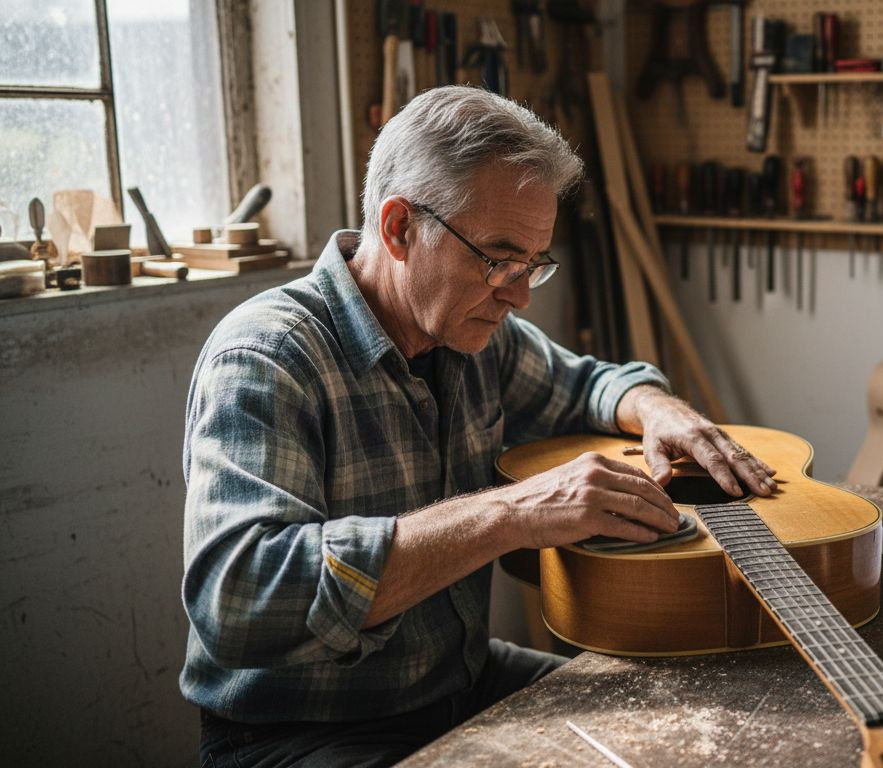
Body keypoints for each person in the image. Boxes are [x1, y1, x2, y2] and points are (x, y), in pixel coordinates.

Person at [180, 85, 776, 766]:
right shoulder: (267, 358)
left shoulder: (476, 333)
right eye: (496, 257)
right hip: (302, 728)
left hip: (458, 680)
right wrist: (512, 512)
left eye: (533, 265)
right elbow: (240, 601)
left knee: (696, 724)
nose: (518, 294)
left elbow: (589, 384)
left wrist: (660, 407)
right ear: (400, 227)